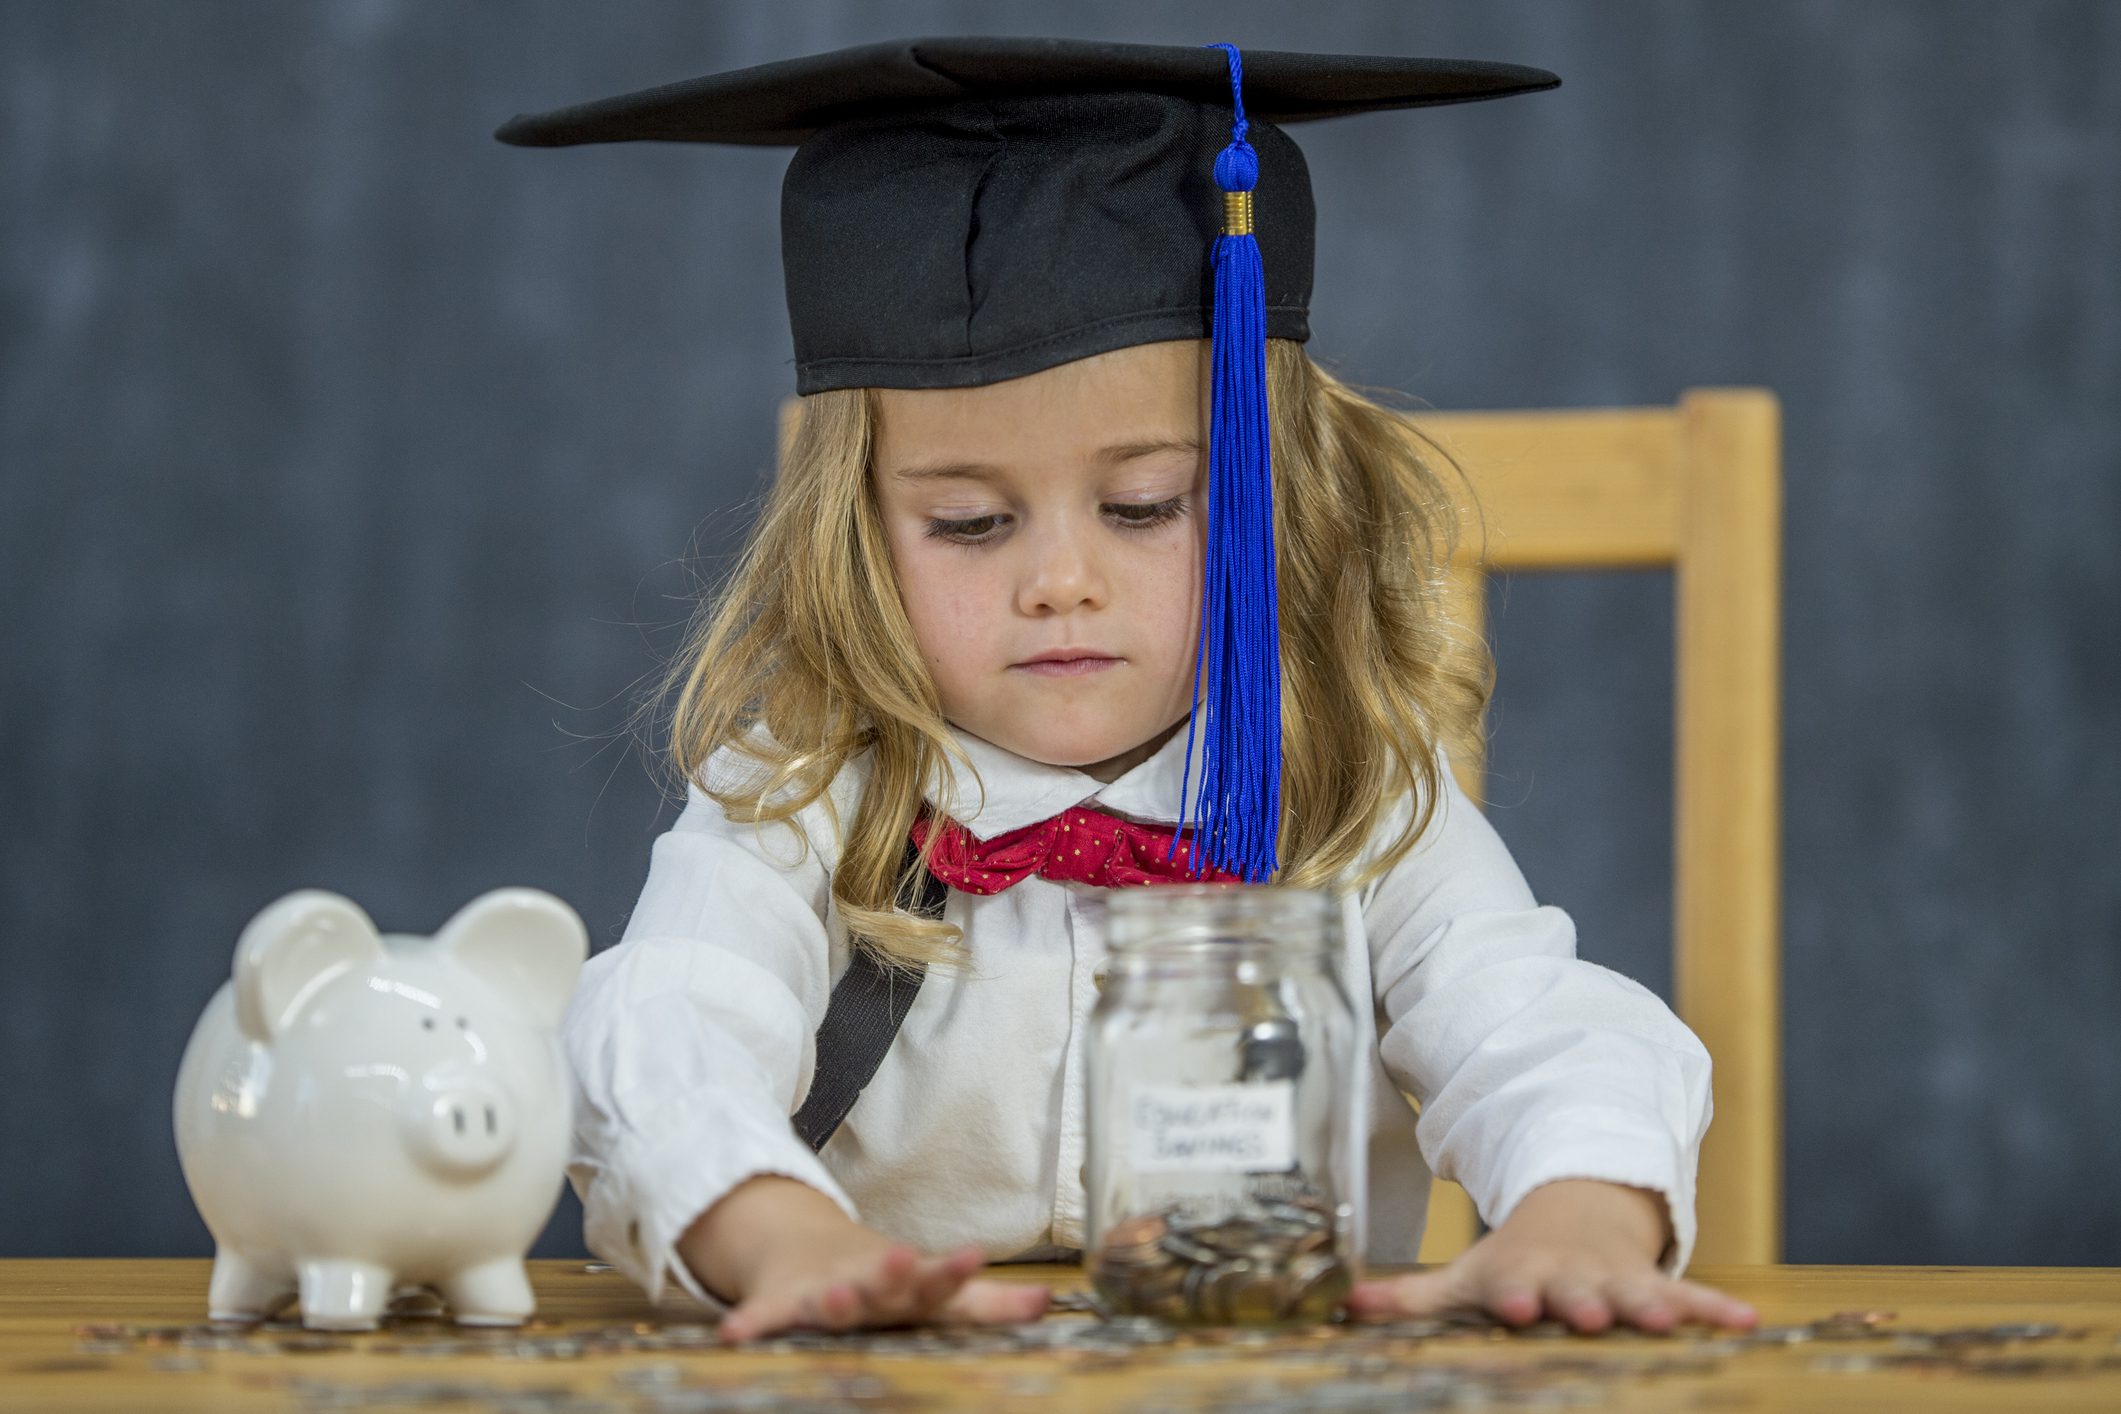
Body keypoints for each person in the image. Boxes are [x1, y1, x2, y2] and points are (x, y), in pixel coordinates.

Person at [495, 36, 1761, 1341]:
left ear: (1275, 496)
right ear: (857, 531)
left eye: (1144, 504)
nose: (1058, 580)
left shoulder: (1348, 787)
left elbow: (1536, 1024)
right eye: (972, 521)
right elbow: (666, 1019)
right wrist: (777, 1231)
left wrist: (1578, 1216)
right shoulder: (807, 779)